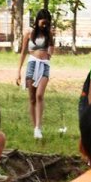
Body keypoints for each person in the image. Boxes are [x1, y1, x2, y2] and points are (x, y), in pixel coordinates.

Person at [16, 8, 55, 139]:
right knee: (32, 98)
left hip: (44, 65)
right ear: (37, 21)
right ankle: (35, 129)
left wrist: (49, 53)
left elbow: (51, 49)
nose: (44, 25)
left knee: (39, 95)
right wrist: (18, 71)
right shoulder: (29, 33)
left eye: (47, 23)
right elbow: (23, 52)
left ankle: (38, 127)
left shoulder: (49, 34)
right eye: (43, 22)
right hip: (32, 64)